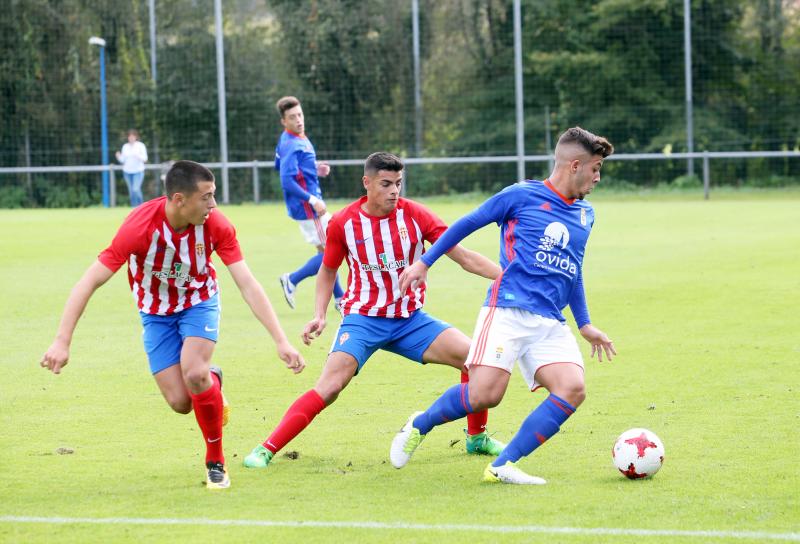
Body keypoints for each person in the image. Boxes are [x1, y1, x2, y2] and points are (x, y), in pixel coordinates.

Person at [40, 160, 305, 490]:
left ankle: (215, 462)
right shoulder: (139, 227)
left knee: (194, 372)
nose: (213, 205)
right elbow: (89, 281)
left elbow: (248, 284)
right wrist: (62, 340)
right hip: (155, 314)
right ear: (180, 199)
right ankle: (213, 381)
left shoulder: (216, 225)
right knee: (181, 403)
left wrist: (281, 340)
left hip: (199, 303)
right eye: (206, 197)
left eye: (213, 195)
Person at [243, 152, 506, 470]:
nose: (394, 190)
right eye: (386, 184)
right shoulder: (344, 222)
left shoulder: (417, 216)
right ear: (366, 183)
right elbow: (328, 270)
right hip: (363, 319)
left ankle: (476, 438)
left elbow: (465, 257)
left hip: (410, 320)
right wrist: (320, 314)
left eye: (398, 183)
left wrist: (509, 277)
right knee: (329, 388)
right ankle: (266, 449)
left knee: (474, 361)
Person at [390, 127, 617, 485]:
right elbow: (465, 224)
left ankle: (502, 465)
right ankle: (420, 423)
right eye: (596, 167)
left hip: (550, 322)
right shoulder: (521, 195)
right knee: (485, 395)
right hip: (507, 311)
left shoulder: (586, 215)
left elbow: (573, 269)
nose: (598, 176)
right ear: (575, 165)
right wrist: (424, 262)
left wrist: (585, 323)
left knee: (573, 388)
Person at [273, 96, 344, 312]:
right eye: (292, 117)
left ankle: (340, 299)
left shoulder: (293, 137)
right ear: (284, 121)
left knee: (328, 250)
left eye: (300, 115)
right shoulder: (291, 144)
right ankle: (292, 279)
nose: (298, 120)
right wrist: (312, 200)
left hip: (308, 206)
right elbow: (286, 180)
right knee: (331, 251)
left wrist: (314, 168)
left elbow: (279, 165)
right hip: (309, 208)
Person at [115, 129, 148, 206]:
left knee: (135, 189)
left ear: (136, 137)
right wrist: (118, 156)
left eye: (132, 137)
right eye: (129, 137)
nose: (131, 138)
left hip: (138, 171)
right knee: (131, 191)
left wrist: (138, 155)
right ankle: (134, 207)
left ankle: (141, 206)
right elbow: (122, 160)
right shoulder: (125, 146)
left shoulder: (140, 145)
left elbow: (145, 159)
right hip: (127, 172)